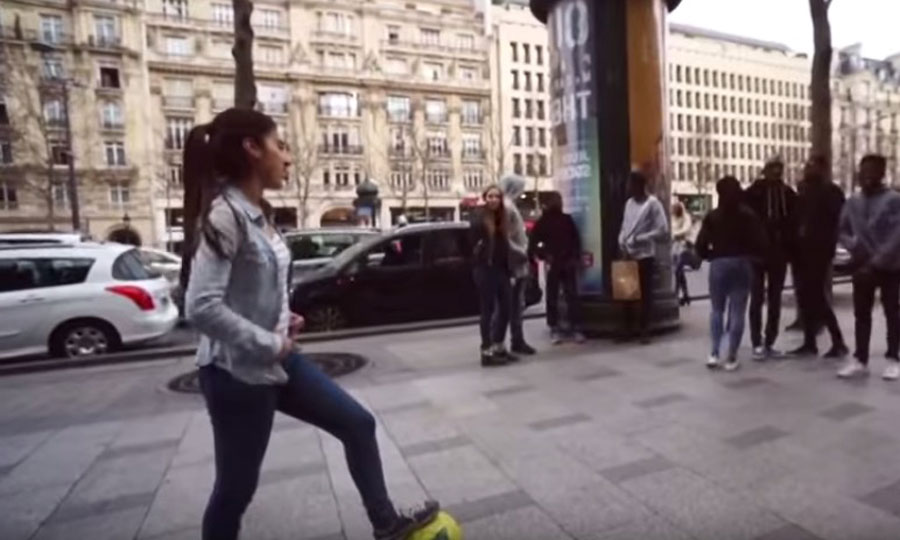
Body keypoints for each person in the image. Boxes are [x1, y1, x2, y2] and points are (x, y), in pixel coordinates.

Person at [182, 108, 438, 540]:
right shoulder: (225, 215)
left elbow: (252, 288)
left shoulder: (258, 212)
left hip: (279, 360)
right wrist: (269, 341)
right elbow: (201, 306)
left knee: (358, 424)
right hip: (236, 374)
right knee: (235, 489)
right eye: (280, 145)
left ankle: (386, 524)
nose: (288, 158)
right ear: (251, 148)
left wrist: (284, 317)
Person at [836, 154, 900, 380]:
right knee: (861, 314)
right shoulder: (853, 201)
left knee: (892, 312)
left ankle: (894, 358)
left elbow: (897, 235)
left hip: (890, 266)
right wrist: (852, 244)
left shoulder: (893, 199)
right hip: (862, 266)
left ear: (882, 173)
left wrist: (880, 259)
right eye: (863, 170)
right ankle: (860, 359)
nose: (866, 175)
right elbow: (841, 229)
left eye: (872, 171)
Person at [695, 177, 768, 371]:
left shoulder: (713, 217)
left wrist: (709, 255)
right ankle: (731, 356)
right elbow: (761, 241)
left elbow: (700, 244)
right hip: (742, 263)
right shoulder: (748, 216)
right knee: (737, 310)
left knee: (717, 309)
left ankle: (714, 352)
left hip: (719, 262)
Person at [788, 155, 849, 359]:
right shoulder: (803, 191)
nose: (807, 169)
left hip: (818, 251)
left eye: (812, 166)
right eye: (806, 165)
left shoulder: (830, 192)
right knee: (804, 298)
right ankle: (809, 342)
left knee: (818, 298)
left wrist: (827, 244)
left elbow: (839, 221)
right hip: (800, 251)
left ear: (822, 169)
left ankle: (838, 341)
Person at [744, 158, 797, 360]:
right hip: (757, 253)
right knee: (757, 297)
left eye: (779, 170)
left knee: (775, 298)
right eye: (772, 170)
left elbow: (794, 219)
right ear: (765, 171)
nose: (776, 174)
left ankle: (769, 341)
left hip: (779, 253)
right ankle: (757, 342)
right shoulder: (753, 193)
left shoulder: (787, 193)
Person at [617, 171, 669, 343]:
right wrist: (622, 241)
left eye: (631, 184)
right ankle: (627, 329)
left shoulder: (653, 204)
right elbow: (625, 226)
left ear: (640, 185)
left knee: (645, 295)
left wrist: (642, 238)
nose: (628, 188)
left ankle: (645, 329)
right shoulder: (628, 204)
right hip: (628, 254)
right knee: (627, 293)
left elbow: (663, 229)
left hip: (645, 255)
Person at [529, 191, 584, 344]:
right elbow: (575, 240)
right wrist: (575, 257)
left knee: (554, 296)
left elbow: (534, 242)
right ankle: (574, 327)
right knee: (570, 295)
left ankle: (555, 327)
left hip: (554, 262)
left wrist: (542, 254)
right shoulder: (566, 219)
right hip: (564, 262)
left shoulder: (543, 221)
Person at [470, 184, 516, 366]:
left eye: (496, 196)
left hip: (501, 269)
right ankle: (486, 351)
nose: (493, 199)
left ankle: (499, 346)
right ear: (485, 198)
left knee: (506, 308)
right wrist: (479, 253)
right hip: (485, 269)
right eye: (490, 196)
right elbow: (472, 242)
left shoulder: (503, 218)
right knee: (487, 311)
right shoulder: (479, 216)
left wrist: (510, 270)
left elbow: (505, 247)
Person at [495, 175, 536, 355]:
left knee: (515, 306)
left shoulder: (508, 206)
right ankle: (499, 345)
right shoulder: (507, 208)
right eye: (520, 189)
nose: (522, 194)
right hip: (512, 265)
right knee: (506, 307)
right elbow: (504, 238)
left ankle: (515, 340)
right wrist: (521, 253)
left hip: (514, 264)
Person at [671, 200, 694, 306]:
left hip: (684, 247)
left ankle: (676, 295)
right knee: (679, 272)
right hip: (675, 247)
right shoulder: (673, 218)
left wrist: (674, 234)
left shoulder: (686, 217)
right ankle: (686, 295)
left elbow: (686, 229)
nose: (674, 211)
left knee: (677, 270)